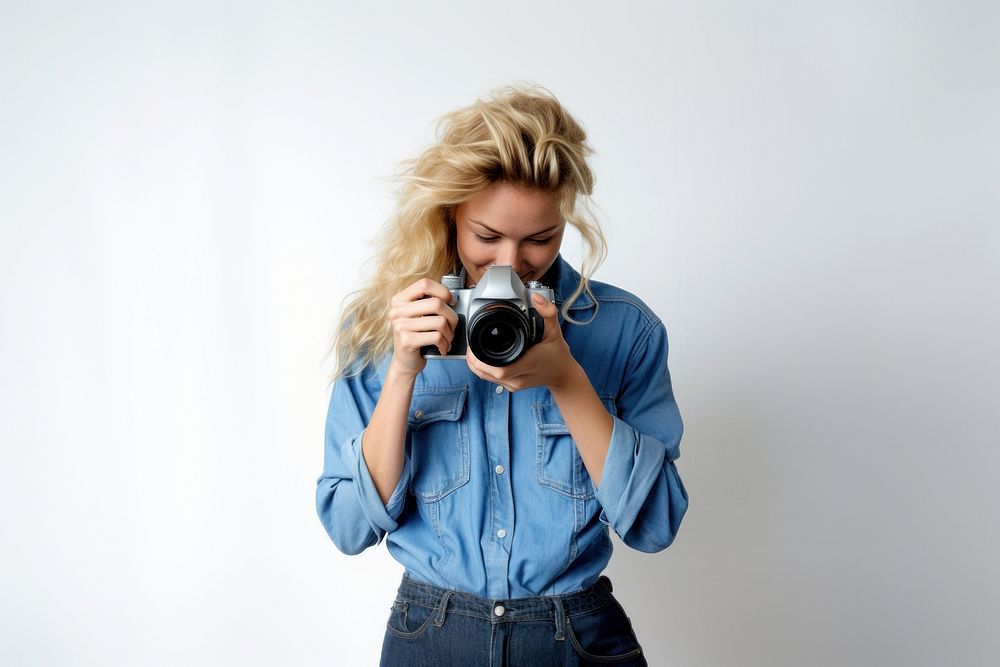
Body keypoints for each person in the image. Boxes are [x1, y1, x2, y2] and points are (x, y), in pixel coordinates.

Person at [316, 85, 688, 666]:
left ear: (565, 221)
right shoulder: (387, 326)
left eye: (540, 239)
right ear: (451, 218)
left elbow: (656, 525)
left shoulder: (625, 330)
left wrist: (566, 378)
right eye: (487, 238)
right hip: (432, 636)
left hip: (576, 636)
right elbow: (348, 528)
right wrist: (402, 374)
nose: (512, 263)